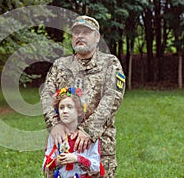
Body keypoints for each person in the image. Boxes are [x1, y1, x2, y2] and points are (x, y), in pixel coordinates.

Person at [40, 15, 125, 177]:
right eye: (76, 32)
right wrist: (54, 124)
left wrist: (88, 131)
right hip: (63, 143)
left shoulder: (110, 64)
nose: (79, 36)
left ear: (97, 37)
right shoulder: (60, 65)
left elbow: (112, 99)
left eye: (86, 32)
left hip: (98, 142)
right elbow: (47, 95)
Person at [42, 87, 104, 178]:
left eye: (70, 107)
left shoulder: (88, 136)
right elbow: (45, 166)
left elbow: (96, 167)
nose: (65, 111)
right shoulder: (55, 136)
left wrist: (77, 159)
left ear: (79, 111)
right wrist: (56, 162)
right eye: (61, 107)